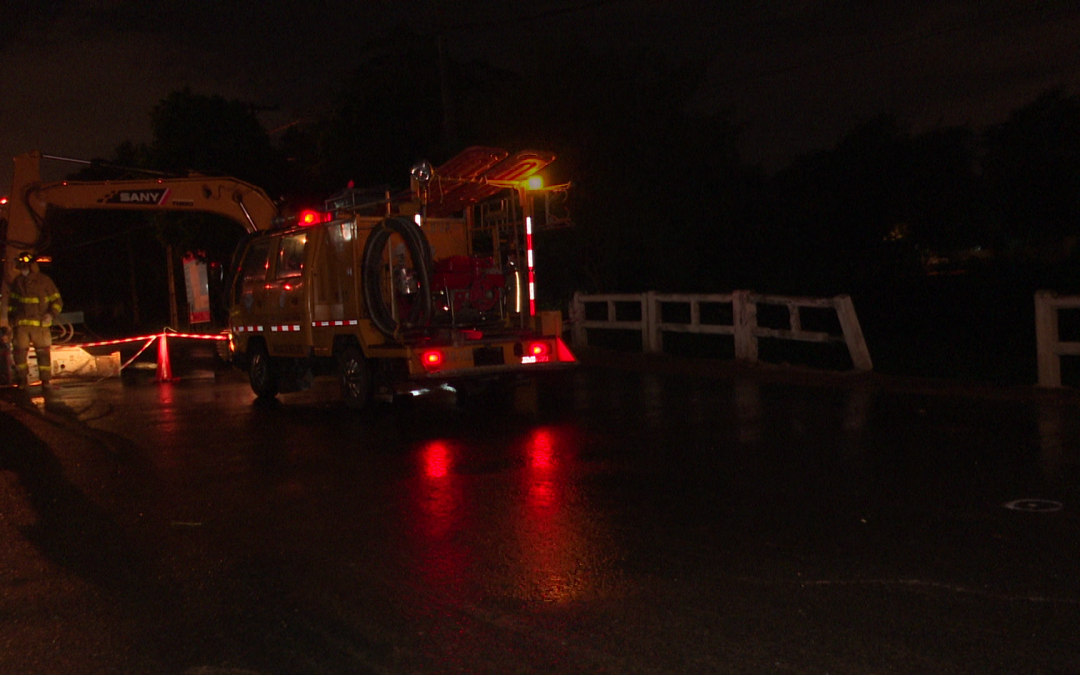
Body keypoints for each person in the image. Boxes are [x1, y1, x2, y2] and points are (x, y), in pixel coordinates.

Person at [7, 251, 63, 389]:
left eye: (24, 265)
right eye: (21, 265)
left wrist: (51, 314)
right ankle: (22, 380)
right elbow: (12, 303)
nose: (22, 268)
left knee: (43, 354)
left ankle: (45, 381)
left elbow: (57, 301)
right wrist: (11, 320)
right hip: (21, 326)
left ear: (30, 265)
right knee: (19, 354)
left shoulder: (44, 281)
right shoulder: (17, 282)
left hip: (40, 325)